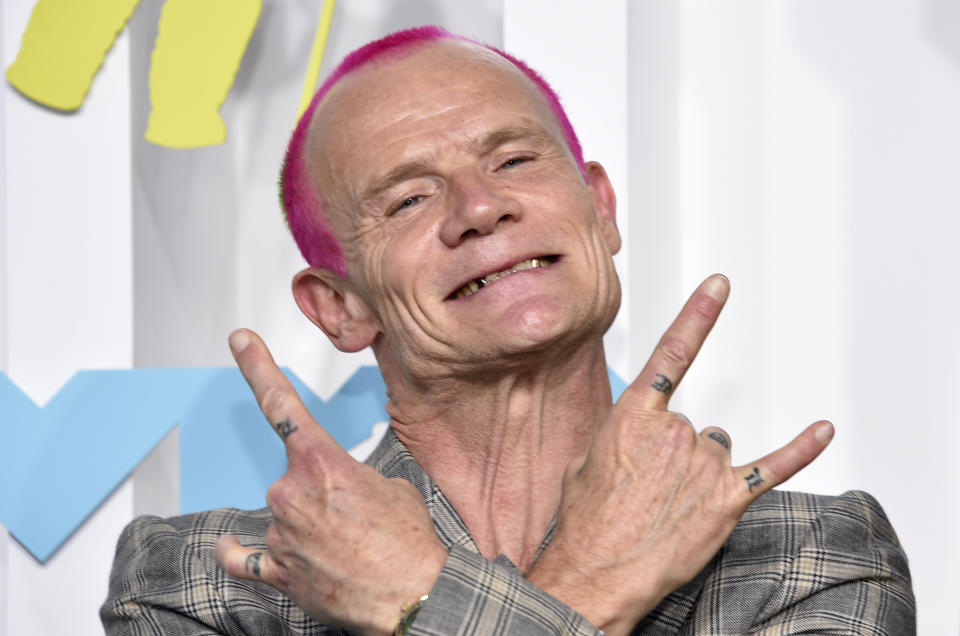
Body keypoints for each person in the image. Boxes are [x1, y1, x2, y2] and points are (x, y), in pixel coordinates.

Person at [101, 26, 915, 635]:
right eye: (410, 199)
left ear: (600, 208)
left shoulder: (811, 555)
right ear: (339, 307)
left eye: (516, 160)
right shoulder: (202, 584)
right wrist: (591, 585)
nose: (482, 208)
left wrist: (417, 601)